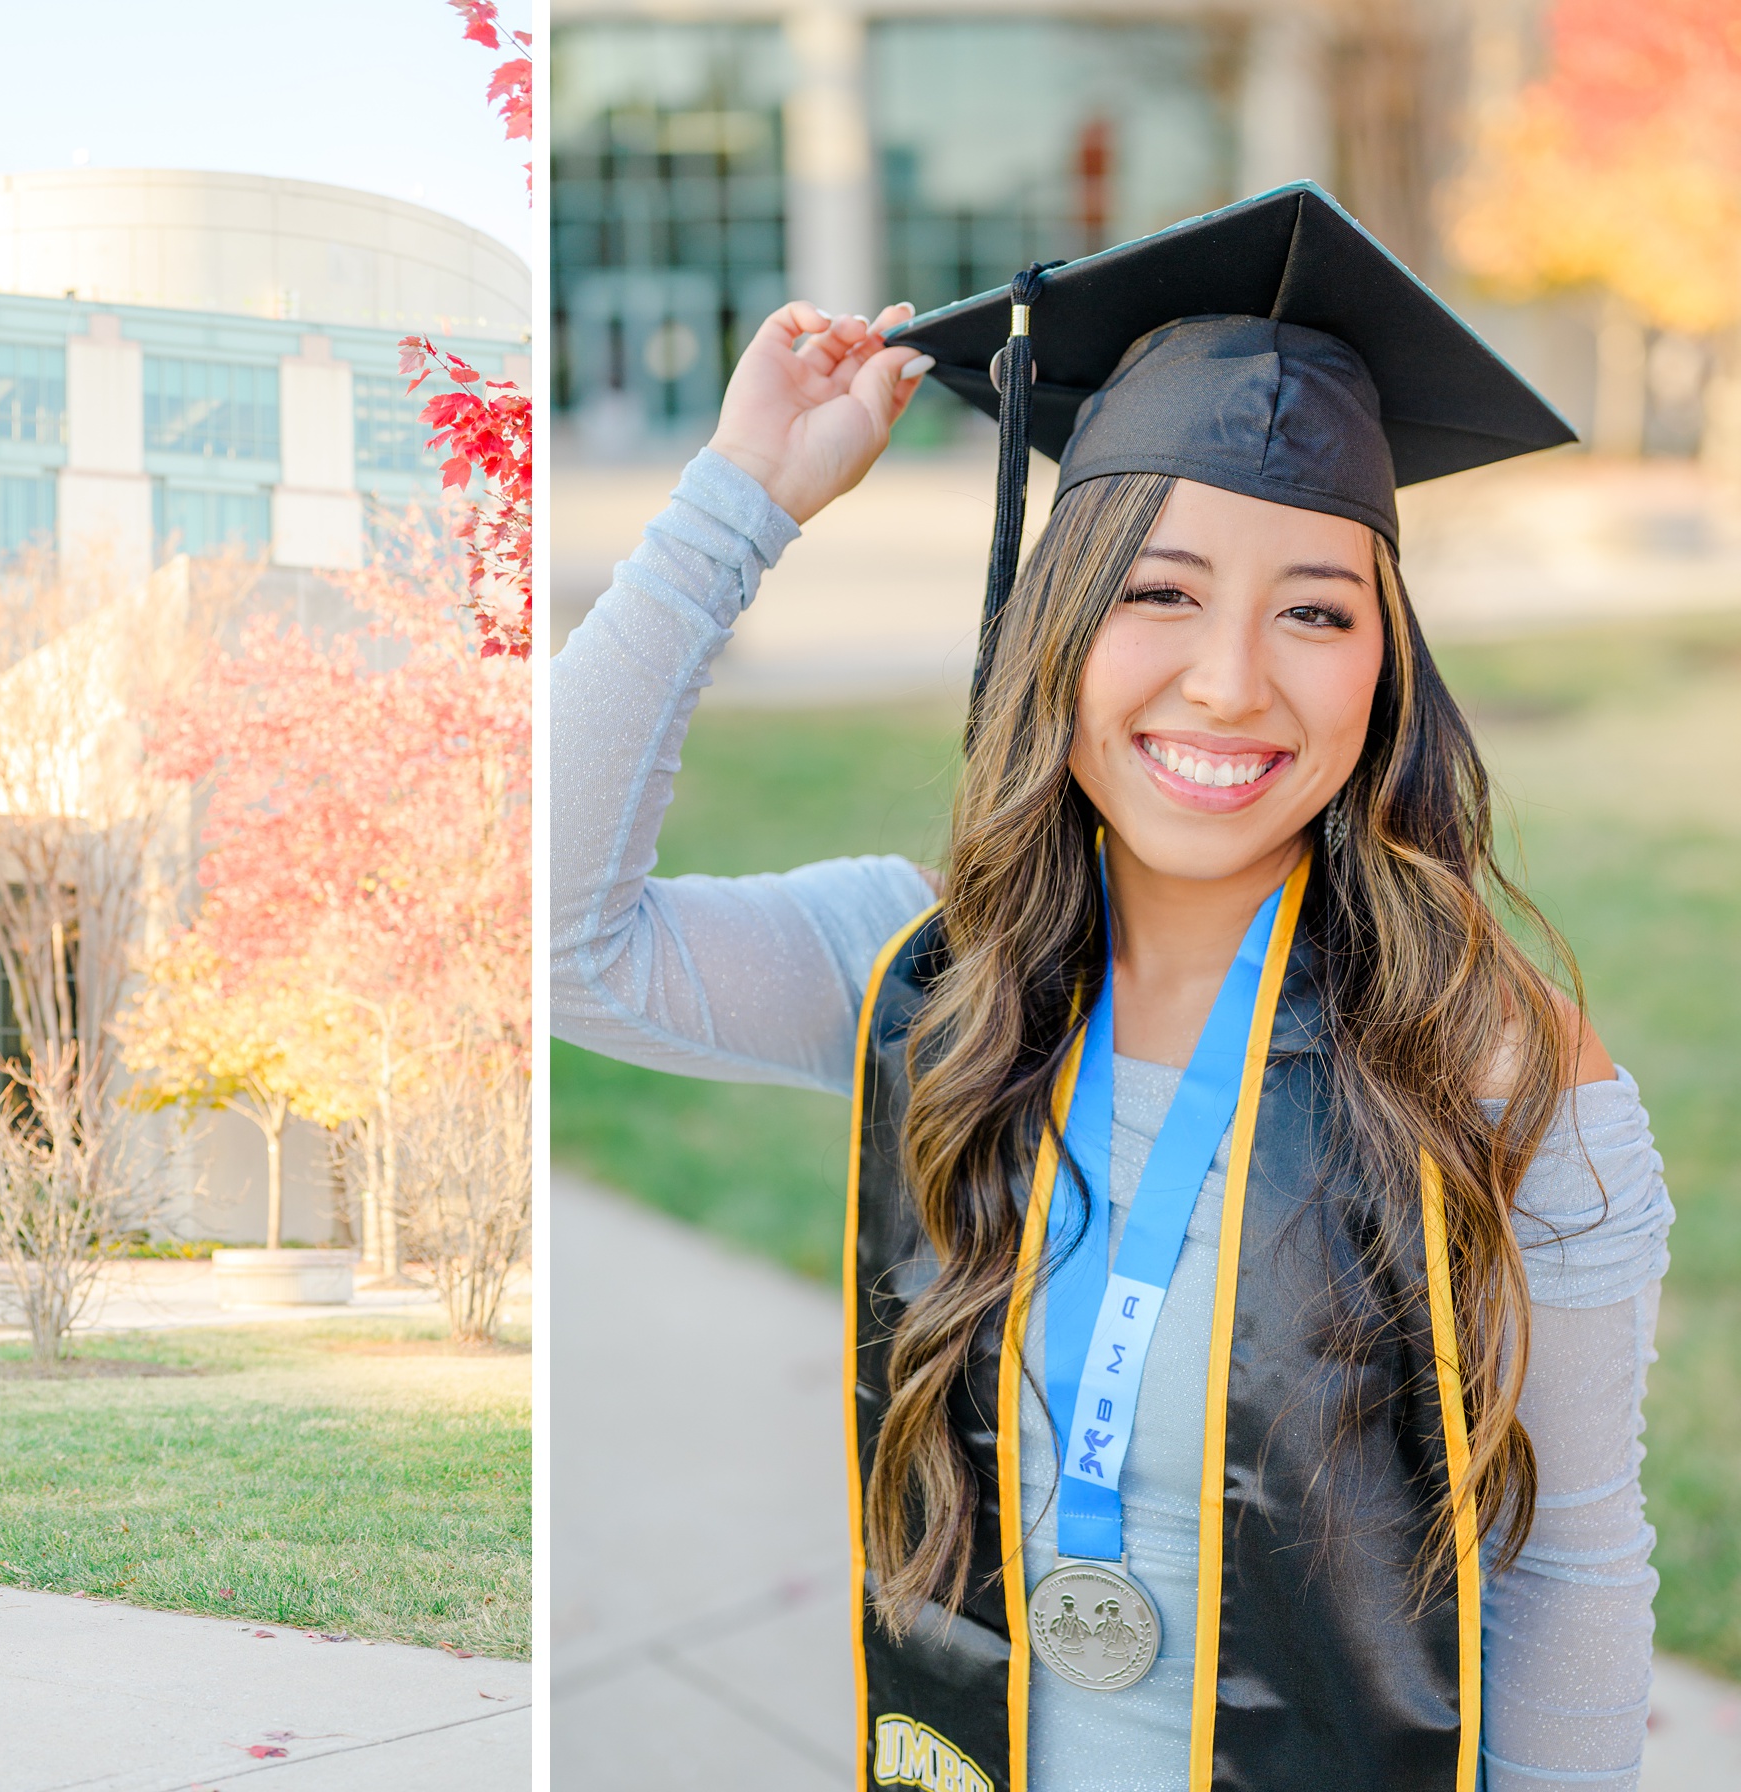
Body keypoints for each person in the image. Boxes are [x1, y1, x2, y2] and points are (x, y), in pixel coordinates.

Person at [553, 185, 1672, 1792]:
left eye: (1315, 610)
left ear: (1385, 666)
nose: (1231, 678)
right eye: (1158, 590)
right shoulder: (929, 978)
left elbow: (1570, 1572)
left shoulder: (1486, 1062)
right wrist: (742, 502)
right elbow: (566, 937)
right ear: (1057, 623)